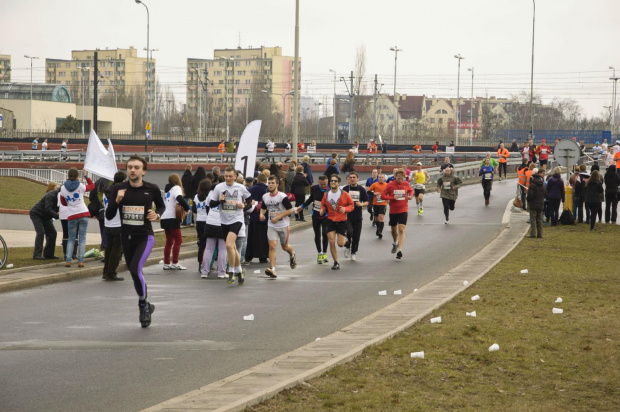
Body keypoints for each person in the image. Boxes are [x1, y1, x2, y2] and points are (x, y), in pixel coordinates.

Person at [106, 154, 165, 328]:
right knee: (133, 272)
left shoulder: (152, 189)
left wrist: (157, 214)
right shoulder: (118, 188)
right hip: (126, 236)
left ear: (144, 171)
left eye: (136, 167)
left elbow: (161, 205)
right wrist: (116, 201)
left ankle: (142, 306)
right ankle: (146, 303)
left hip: (145, 236)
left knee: (135, 268)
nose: (132, 170)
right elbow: (109, 215)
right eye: (130, 167)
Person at [209, 166, 252, 285]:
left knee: (228, 245)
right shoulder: (219, 187)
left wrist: (244, 206)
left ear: (235, 177)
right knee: (232, 247)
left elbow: (249, 200)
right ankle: (239, 271)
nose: (228, 178)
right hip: (224, 220)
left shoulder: (240, 187)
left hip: (237, 219)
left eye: (230, 176)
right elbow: (211, 204)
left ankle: (232, 272)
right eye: (226, 176)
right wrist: (219, 200)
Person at [260, 175, 297, 278]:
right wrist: (261, 214)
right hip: (271, 225)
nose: (270, 185)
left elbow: (290, 210)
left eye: (272, 183)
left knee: (285, 247)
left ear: (277, 185)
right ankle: (272, 269)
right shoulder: (265, 196)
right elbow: (263, 208)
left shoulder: (282, 196)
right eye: (269, 183)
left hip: (283, 225)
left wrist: (278, 217)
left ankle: (292, 253)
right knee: (272, 246)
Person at [60, 168, 95, 267]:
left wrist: (71, 203)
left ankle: (68, 260)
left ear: (68, 175)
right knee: (82, 239)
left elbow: (63, 203)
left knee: (71, 238)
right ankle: (80, 261)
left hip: (71, 215)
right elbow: (92, 186)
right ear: (77, 176)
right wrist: (86, 176)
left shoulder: (62, 188)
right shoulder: (81, 186)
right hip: (83, 213)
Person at [319, 174, 354, 270]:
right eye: (331, 181)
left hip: (341, 220)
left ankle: (347, 243)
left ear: (338, 183)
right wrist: (322, 210)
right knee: (331, 241)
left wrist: (345, 209)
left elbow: (352, 205)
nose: (333, 182)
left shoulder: (344, 194)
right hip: (330, 220)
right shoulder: (326, 194)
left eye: (335, 181)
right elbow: (323, 205)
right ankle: (336, 262)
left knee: (340, 244)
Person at [381, 169, 414, 259]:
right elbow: (382, 196)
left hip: (403, 209)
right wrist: (392, 197)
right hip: (393, 211)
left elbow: (411, 191)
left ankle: (400, 250)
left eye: (401, 178)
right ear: (395, 176)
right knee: (394, 229)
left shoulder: (405, 184)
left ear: (403, 177)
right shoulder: (390, 185)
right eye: (398, 178)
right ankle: (395, 242)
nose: (399, 180)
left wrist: (411, 195)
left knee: (401, 229)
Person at [161, 174, 191, 270]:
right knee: (178, 240)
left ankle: (166, 263)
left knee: (169, 241)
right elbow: (179, 198)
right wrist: (187, 208)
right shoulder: (176, 188)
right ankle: (175, 262)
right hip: (172, 217)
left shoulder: (167, 190)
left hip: (164, 217)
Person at [102, 171, 127, 281]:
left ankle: (106, 271)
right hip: (117, 222)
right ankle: (111, 272)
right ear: (123, 180)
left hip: (108, 222)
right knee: (117, 250)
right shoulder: (120, 191)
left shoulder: (106, 191)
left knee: (109, 248)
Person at [300, 175, 330, 264]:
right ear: (318, 182)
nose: (323, 186)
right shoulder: (314, 188)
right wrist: (302, 207)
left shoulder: (330, 190)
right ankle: (319, 253)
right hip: (315, 215)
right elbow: (310, 199)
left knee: (325, 233)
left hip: (326, 215)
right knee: (317, 234)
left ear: (327, 182)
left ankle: (324, 252)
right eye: (321, 184)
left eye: (325, 184)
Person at [201, 187, 227, 279]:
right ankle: (221, 272)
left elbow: (207, 207)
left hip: (210, 222)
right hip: (222, 223)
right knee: (223, 249)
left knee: (209, 248)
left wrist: (210, 217)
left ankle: (204, 271)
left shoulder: (211, 193)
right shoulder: (226, 193)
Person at [342, 171, 369, 261]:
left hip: (357, 216)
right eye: (350, 177)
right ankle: (347, 245)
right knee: (349, 232)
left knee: (356, 237)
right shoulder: (345, 189)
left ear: (357, 179)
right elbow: (340, 201)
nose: (352, 179)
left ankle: (353, 252)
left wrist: (361, 204)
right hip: (347, 216)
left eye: (354, 177)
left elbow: (367, 201)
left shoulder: (361, 189)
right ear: (348, 179)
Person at [30, 182, 60, 260]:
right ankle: (37, 255)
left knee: (52, 233)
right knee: (41, 232)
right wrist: (57, 215)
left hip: (46, 217)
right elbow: (48, 208)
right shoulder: (50, 195)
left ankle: (49, 254)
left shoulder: (61, 197)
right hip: (37, 214)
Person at [368, 173, 388, 239]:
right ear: (378, 178)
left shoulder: (387, 185)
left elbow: (390, 192)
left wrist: (387, 197)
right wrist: (374, 193)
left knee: (381, 218)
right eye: (379, 177)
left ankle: (380, 232)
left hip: (383, 203)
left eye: (382, 177)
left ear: (384, 179)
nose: (381, 178)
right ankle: (378, 228)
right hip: (375, 203)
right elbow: (368, 191)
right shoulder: (374, 184)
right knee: (376, 218)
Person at [526, 168, 545, 238]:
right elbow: (545, 194)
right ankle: (540, 234)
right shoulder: (542, 185)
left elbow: (530, 196)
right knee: (539, 220)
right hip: (540, 204)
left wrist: (528, 199)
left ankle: (533, 233)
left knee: (533, 220)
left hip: (533, 205)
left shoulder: (532, 185)